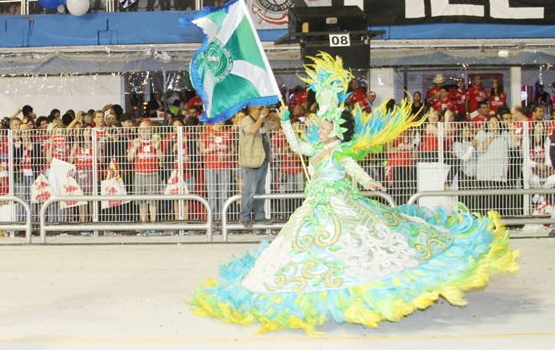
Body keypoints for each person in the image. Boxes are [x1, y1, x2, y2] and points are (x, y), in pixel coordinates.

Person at [191, 53, 518, 335]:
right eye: (318, 123)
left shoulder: (337, 151)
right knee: (304, 246)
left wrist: (369, 182)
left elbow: (351, 168)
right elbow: (298, 146)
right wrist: (288, 123)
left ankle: (354, 288)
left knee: (355, 245)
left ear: (336, 127)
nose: (318, 126)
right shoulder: (316, 146)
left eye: (323, 123)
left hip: (341, 204)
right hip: (314, 205)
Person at [238, 106, 272, 229]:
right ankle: (245, 217)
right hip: (251, 161)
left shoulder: (262, 121)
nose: (262, 111)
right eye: (260, 109)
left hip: (263, 159)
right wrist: (262, 117)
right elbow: (252, 130)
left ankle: (259, 215)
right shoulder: (247, 120)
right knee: (249, 190)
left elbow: (275, 126)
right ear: (253, 110)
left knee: (260, 190)